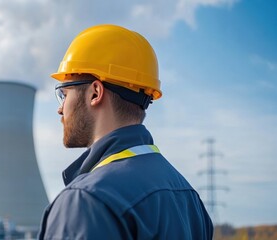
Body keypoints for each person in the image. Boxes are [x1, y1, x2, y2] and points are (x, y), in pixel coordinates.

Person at [38, 24, 213, 239]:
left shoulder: (86, 201)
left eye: (64, 94)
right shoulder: (188, 199)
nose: (60, 108)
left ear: (95, 92)